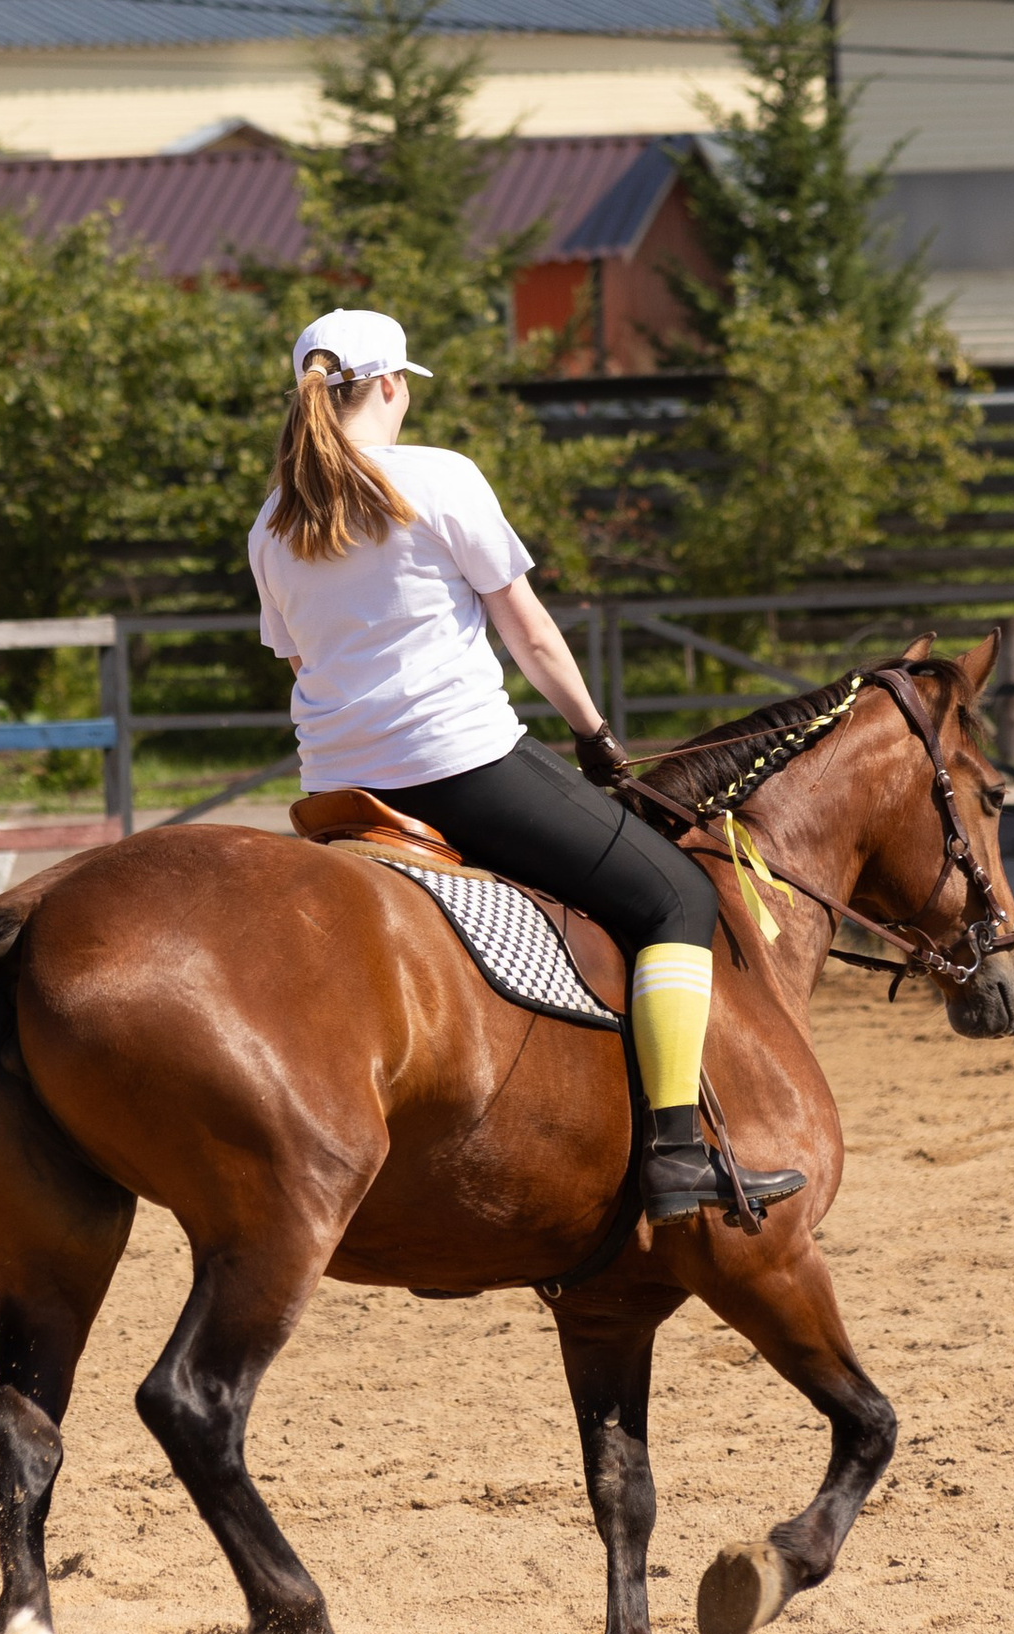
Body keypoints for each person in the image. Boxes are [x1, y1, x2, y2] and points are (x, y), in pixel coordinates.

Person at [248, 306, 729, 1224]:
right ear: (390, 384)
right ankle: (674, 1151)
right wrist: (594, 733)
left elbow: (304, 664)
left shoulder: (275, 521)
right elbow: (533, 633)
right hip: (462, 768)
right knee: (678, 899)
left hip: (339, 791)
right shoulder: (439, 478)